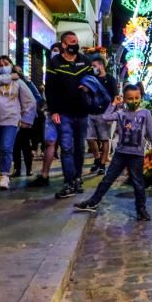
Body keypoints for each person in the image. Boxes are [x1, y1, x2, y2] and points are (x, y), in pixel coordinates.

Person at [73, 85, 152, 221]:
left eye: (137, 98)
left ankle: (141, 209)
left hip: (137, 155)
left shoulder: (146, 113)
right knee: (107, 179)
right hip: (120, 154)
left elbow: (151, 132)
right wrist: (113, 104)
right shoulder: (120, 113)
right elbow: (105, 118)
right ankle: (93, 202)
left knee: (138, 183)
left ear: (141, 97)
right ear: (124, 99)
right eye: (130, 98)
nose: (134, 101)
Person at [0, 56, 37, 190]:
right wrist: (11, 76)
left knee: (6, 146)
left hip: (11, 119)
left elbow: (30, 101)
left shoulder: (19, 83)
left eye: (6, 63)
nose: (3, 66)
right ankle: (3, 170)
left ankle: (4, 175)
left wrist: (26, 120)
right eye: (0, 64)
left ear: (11, 64)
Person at [46, 31, 92, 198]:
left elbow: (92, 82)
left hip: (82, 112)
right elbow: (50, 89)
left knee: (79, 147)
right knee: (66, 147)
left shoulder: (85, 61)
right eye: (72, 41)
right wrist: (54, 110)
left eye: (76, 41)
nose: (75, 44)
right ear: (64, 45)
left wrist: (88, 88)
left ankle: (78, 178)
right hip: (64, 113)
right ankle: (69, 181)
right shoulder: (55, 63)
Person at [28, 43, 62, 188]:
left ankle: (71, 177)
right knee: (50, 143)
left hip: (65, 113)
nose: (55, 53)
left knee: (66, 145)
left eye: (57, 50)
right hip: (51, 112)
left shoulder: (63, 69)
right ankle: (44, 174)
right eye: (53, 50)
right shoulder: (49, 69)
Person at [87, 57, 119, 175]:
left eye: (94, 66)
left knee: (105, 139)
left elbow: (115, 97)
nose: (93, 68)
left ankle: (102, 164)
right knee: (90, 138)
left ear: (101, 65)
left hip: (105, 114)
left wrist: (111, 113)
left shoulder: (110, 79)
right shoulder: (91, 78)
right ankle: (97, 159)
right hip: (91, 112)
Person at [11, 65, 45, 177]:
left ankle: (26, 169)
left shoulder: (28, 84)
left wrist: (26, 110)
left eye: (20, 71)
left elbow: (39, 99)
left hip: (27, 119)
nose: (18, 73)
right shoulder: (10, 83)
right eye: (16, 71)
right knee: (17, 145)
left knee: (24, 144)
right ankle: (18, 169)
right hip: (15, 118)